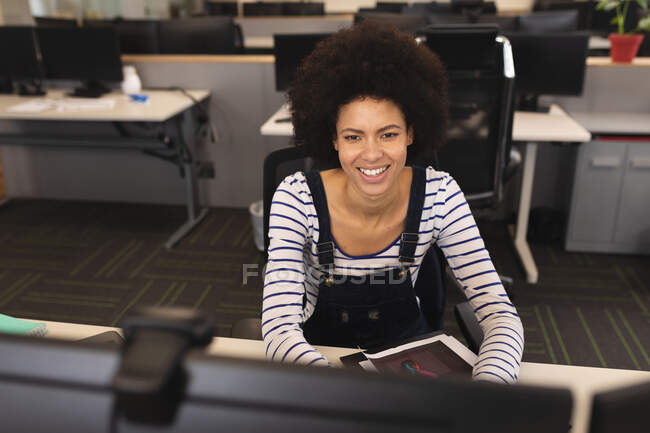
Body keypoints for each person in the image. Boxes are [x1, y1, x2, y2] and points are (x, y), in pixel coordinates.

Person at [262, 22, 523, 383]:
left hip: (408, 366)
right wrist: (340, 394)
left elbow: (499, 315)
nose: (372, 154)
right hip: (320, 365)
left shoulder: (440, 195)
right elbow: (279, 328)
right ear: (334, 139)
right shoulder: (296, 198)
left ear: (411, 133)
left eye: (388, 134)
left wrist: (488, 390)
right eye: (354, 136)